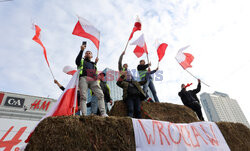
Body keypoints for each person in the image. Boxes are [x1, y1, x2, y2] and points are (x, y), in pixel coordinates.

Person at [75, 44, 107, 117]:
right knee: (83, 97)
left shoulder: (93, 64)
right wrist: (81, 50)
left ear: (91, 56)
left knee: (100, 95)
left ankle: (103, 113)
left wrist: (95, 63)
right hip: (83, 78)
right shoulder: (82, 61)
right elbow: (77, 61)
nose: (88, 53)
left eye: (89, 53)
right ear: (84, 55)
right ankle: (84, 114)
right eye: (86, 53)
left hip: (93, 80)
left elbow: (93, 70)